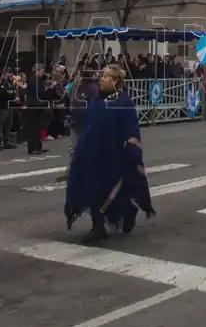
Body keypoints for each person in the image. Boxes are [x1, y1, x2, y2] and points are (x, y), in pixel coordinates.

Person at [65, 65, 154, 243]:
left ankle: (128, 211)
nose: (101, 79)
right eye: (101, 76)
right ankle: (97, 227)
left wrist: (132, 150)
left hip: (111, 154)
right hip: (90, 152)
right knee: (89, 188)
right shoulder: (95, 100)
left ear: (115, 81)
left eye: (105, 76)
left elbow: (131, 128)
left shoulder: (123, 102)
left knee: (111, 191)